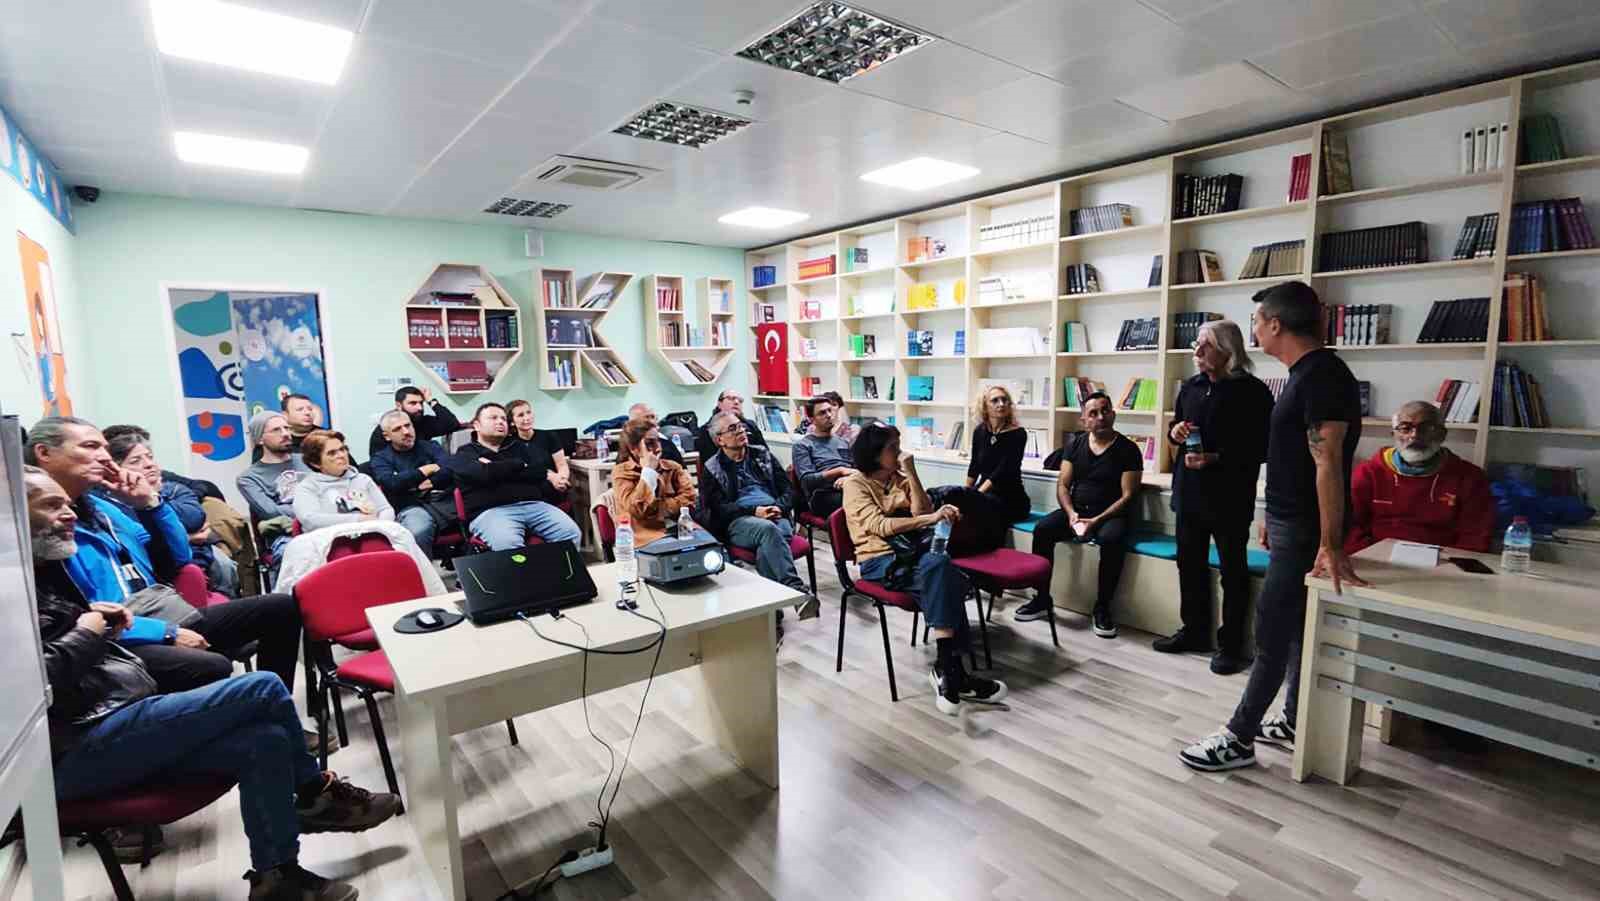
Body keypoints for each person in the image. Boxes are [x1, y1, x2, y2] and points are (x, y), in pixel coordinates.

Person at [28, 466, 400, 901]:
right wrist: (91, 630)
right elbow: (39, 684)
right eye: (51, 505)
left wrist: (102, 619)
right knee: (260, 688)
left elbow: (171, 560)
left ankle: (277, 877)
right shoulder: (12, 588)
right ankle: (315, 792)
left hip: (114, 709)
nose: (67, 512)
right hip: (71, 749)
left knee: (264, 741)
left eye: (65, 503)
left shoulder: (53, 569)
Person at [1181, 280, 1367, 772]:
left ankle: (1239, 738)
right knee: (1293, 631)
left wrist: (1329, 544)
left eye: (1258, 322)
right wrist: (1271, 514)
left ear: (1277, 325)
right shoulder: (1303, 374)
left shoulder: (1322, 376)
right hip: (1289, 520)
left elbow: (1327, 464)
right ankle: (1290, 717)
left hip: (1305, 530)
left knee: (1271, 631)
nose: (1255, 330)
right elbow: (1292, 460)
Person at [25, 417, 307, 702]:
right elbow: (82, 617)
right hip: (115, 635)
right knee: (213, 666)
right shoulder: (42, 524)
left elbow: (178, 560)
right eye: (90, 446)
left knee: (280, 607)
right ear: (44, 453)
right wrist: (168, 633)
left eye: (104, 447)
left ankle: (275, 706)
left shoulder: (103, 506)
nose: (103, 455)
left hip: (158, 609)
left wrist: (150, 504)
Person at [840, 423, 1007, 715]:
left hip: (913, 557)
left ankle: (948, 671)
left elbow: (921, 510)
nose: (900, 451)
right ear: (875, 454)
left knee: (939, 566)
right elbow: (880, 526)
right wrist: (931, 520)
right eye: (893, 447)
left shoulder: (899, 478)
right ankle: (954, 672)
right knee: (947, 575)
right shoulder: (856, 484)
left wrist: (912, 474)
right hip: (878, 562)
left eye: (899, 444)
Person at [1154, 320, 1274, 675]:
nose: (1197, 350)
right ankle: (1193, 631)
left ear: (1228, 350)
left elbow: (1263, 447)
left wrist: (1218, 458)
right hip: (1189, 494)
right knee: (1187, 565)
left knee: (1232, 572)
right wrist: (1174, 434)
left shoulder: (1253, 392)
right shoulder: (1190, 387)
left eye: (1205, 344)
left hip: (1229, 497)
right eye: (1196, 343)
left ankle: (1232, 646)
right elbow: (1177, 431)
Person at [1014, 392, 1142, 637]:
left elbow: (1128, 496)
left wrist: (1096, 521)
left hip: (1111, 514)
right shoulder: (1075, 445)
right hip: (1077, 511)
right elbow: (1063, 485)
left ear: (1113, 414)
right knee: (1043, 529)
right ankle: (1042, 598)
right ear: (1084, 420)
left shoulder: (1128, 449)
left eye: (1105, 411)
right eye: (1093, 413)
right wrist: (1072, 514)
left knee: (1113, 539)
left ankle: (1102, 607)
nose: (1100, 417)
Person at [697, 411, 814, 609]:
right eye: (732, 428)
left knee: (768, 544)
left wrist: (778, 507)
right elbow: (719, 509)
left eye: (741, 425)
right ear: (720, 440)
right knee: (768, 531)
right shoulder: (712, 468)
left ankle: (772, 611)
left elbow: (788, 489)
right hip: (741, 521)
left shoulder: (762, 454)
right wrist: (754, 511)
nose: (741, 430)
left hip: (776, 514)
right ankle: (795, 589)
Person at [1345, 401, 1495, 554]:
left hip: (1442, 564)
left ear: (1442, 434)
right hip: (1377, 558)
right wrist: (1370, 557)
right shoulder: (1368, 472)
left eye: (1426, 428)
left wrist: (1452, 566)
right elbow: (1349, 526)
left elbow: (1476, 536)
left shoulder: (1470, 477)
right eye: (1405, 428)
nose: (1415, 435)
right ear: (1393, 435)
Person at [106, 430, 240, 598]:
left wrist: (154, 500)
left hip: (197, 552)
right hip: (160, 571)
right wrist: (187, 536)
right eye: (135, 461)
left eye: (150, 456)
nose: (149, 464)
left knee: (224, 566)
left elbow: (194, 518)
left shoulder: (173, 487)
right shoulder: (110, 505)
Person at [448, 402, 582, 550]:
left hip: (534, 505)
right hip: (491, 512)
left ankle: (558, 573)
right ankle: (526, 574)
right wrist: (517, 465)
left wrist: (494, 466)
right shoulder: (464, 453)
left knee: (571, 534)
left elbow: (537, 472)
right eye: (493, 418)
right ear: (477, 425)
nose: (500, 422)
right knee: (509, 545)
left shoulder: (517, 447)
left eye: (503, 419)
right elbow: (482, 474)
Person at [369, 409, 456, 551]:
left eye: (408, 425)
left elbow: (451, 468)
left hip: (441, 502)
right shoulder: (381, 458)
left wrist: (431, 482)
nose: (406, 432)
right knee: (419, 530)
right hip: (409, 507)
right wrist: (424, 470)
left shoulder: (430, 446)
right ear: (387, 436)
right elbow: (392, 483)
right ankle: (420, 572)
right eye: (397, 429)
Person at [238, 412, 313, 565]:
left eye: (286, 428)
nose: (285, 434)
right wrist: (312, 510)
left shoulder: (309, 460)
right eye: (276, 430)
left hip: (323, 525)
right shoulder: (249, 478)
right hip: (286, 536)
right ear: (259, 439)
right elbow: (270, 512)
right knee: (297, 555)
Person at [610, 417, 698, 547]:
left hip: (683, 527)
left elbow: (689, 497)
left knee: (714, 548)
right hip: (647, 536)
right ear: (634, 448)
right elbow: (637, 509)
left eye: (659, 441)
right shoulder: (622, 473)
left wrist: (657, 509)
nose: (658, 448)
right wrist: (648, 472)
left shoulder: (673, 467)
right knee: (680, 554)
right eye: (650, 443)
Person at [292, 430, 395, 530]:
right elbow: (310, 519)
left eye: (342, 449)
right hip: (331, 540)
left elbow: (385, 509)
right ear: (316, 463)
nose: (341, 455)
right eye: (332, 453)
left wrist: (380, 526)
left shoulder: (363, 479)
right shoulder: (307, 487)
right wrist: (358, 520)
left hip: (373, 532)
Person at [965, 385, 1031, 524]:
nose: (1001, 404)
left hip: (1010, 498)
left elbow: (1002, 471)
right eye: (995, 400)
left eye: (1004, 400)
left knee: (975, 511)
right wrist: (965, 493)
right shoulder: (979, 431)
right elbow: (974, 465)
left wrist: (975, 496)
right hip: (985, 492)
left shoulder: (1018, 434)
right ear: (984, 406)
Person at [791, 395, 854, 518]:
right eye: (822, 413)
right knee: (857, 501)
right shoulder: (802, 445)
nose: (829, 415)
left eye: (830, 410)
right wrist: (839, 471)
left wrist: (849, 479)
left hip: (849, 487)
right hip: (822, 495)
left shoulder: (843, 442)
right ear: (811, 419)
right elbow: (807, 481)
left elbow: (857, 470)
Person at [365, 384, 462, 456]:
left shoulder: (422, 422)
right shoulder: (385, 429)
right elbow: (378, 464)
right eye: (413, 403)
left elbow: (452, 424)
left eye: (421, 403)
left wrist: (430, 400)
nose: (419, 407)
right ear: (399, 405)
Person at [507, 399, 572, 502]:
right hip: (528, 494)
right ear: (512, 422)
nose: (527, 418)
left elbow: (562, 465)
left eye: (528, 412)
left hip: (553, 489)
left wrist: (561, 479)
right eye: (521, 415)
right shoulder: (509, 443)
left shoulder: (549, 436)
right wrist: (550, 476)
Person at [693, 389, 767, 460]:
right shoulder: (706, 431)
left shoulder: (751, 425)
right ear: (719, 404)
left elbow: (766, 453)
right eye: (731, 398)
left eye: (740, 400)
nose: (736, 402)